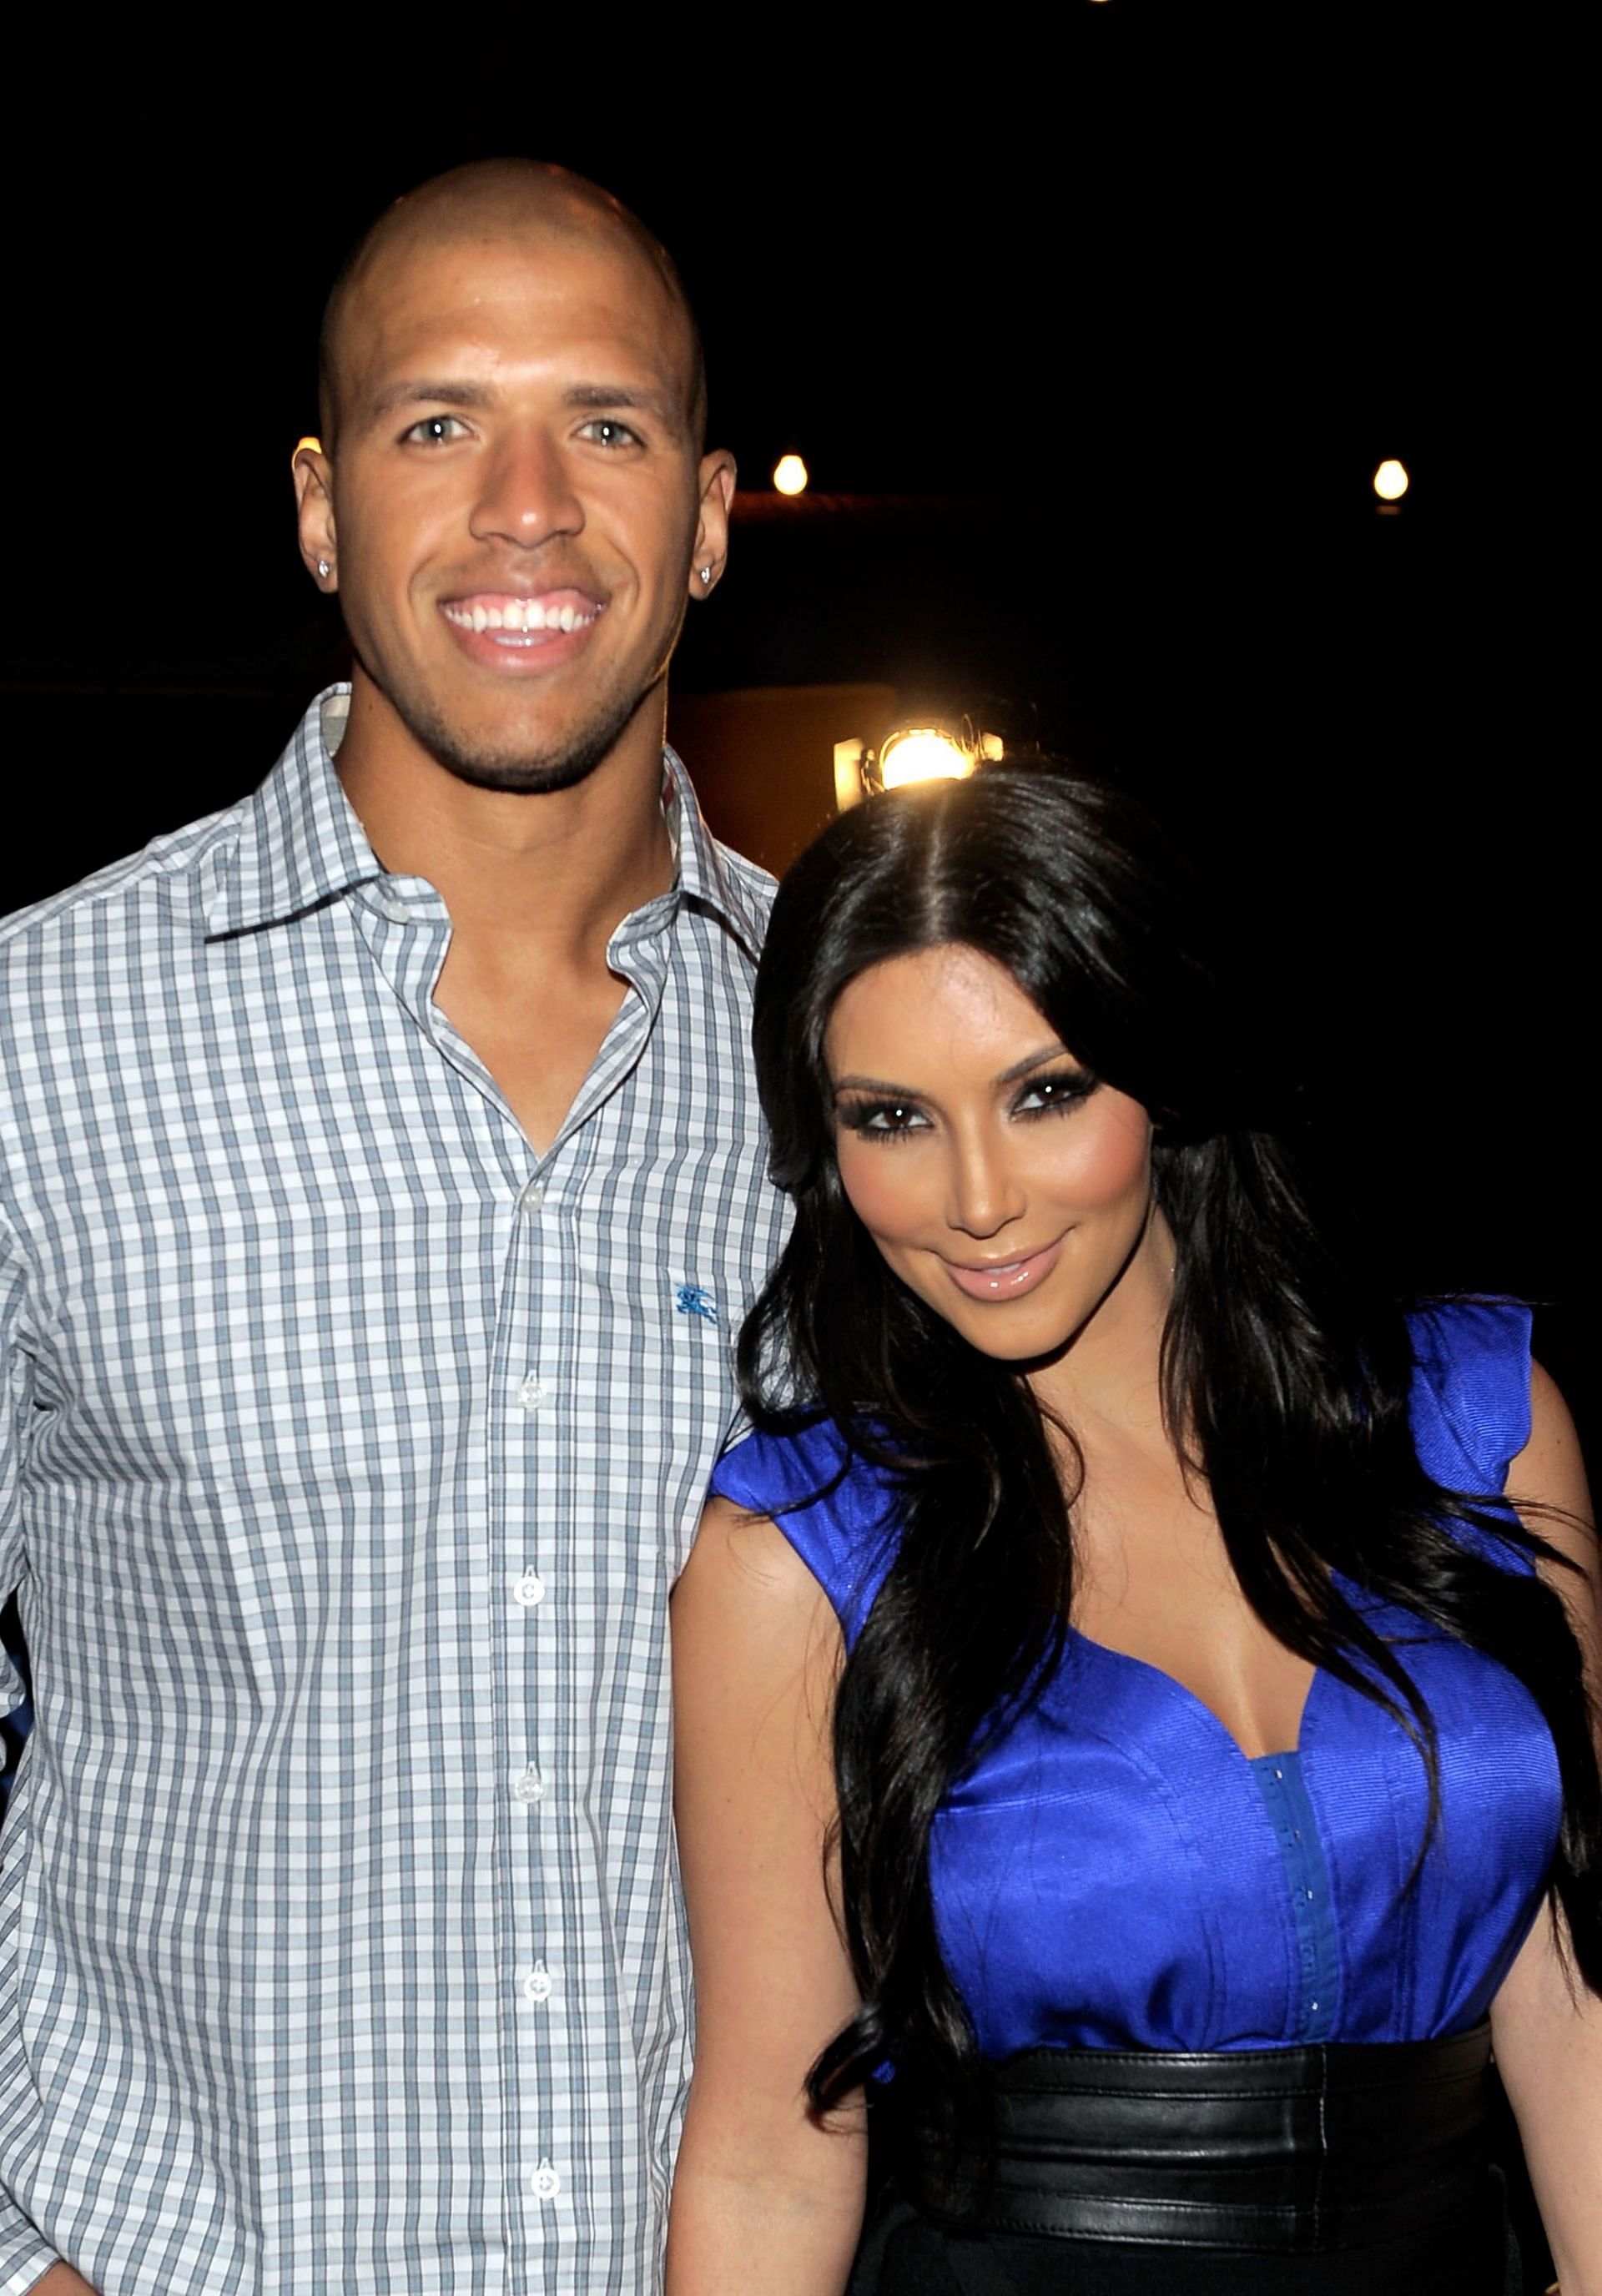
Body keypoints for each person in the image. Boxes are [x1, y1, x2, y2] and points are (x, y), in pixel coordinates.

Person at [0, 159, 788, 2295]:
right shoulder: (38, 1041)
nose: (525, 503)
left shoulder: (867, 1081)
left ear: (708, 514)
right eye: (438, 422)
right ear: (321, 504)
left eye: (604, 425)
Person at [668, 760, 1602, 2295]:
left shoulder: (1479, 1425)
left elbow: (1569, 1979)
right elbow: (774, 2155)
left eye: (1044, 1094)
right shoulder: (802, 1555)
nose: (976, 1200)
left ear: (1163, 1074)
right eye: (891, 1118)